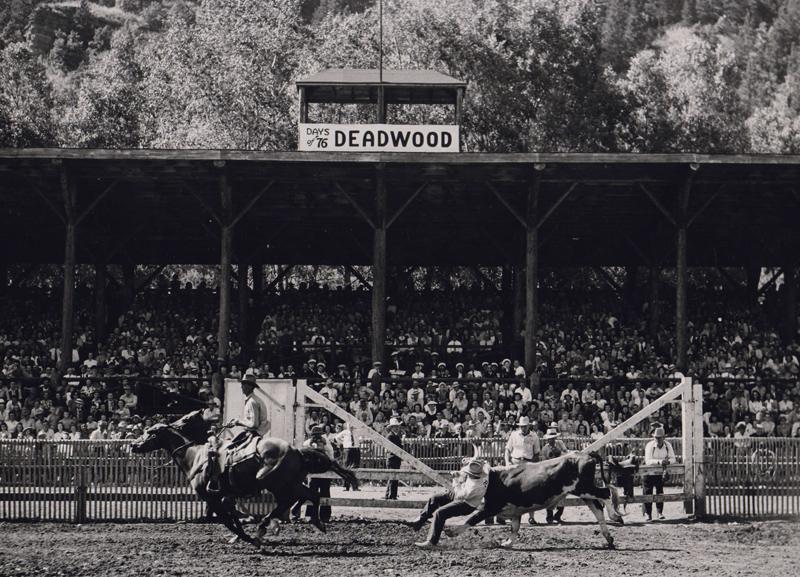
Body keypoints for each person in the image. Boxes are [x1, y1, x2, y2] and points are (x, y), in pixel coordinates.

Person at [411, 458, 490, 549]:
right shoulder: (483, 472)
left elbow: (458, 496)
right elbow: (485, 465)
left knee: (440, 513)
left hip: (466, 504)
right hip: (464, 496)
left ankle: (432, 541)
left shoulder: (474, 487)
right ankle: (421, 519)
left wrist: (456, 480)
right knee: (435, 498)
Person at [292, 425, 334, 522]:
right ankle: (310, 514)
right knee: (311, 492)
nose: (316, 438)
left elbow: (331, 457)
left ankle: (325, 516)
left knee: (325, 493)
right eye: (314, 436)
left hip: (324, 472)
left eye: (318, 436)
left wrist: (324, 447)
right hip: (312, 473)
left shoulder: (326, 444)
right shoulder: (307, 443)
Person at [504, 415, 541, 524]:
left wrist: (531, 465)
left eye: (525, 426)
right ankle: (512, 515)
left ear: (529, 426)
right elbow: (507, 449)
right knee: (512, 490)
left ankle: (531, 517)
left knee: (529, 490)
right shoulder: (514, 435)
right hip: (515, 462)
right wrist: (507, 462)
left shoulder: (534, 436)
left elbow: (537, 453)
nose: (523, 428)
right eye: (521, 426)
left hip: (527, 463)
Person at [643, 427, 675, 521]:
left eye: (659, 438)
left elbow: (673, 458)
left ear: (663, 438)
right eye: (656, 437)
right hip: (648, 472)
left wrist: (668, 462)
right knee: (648, 492)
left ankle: (659, 512)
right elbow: (648, 460)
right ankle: (648, 514)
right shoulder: (650, 445)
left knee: (660, 491)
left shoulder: (668, 445)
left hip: (660, 472)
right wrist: (659, 462)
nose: (657, 439)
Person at [541, 425, 569, 523]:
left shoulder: (560, 444)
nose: (551, 441)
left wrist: (559, 453)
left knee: (562, 495)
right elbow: (543, 462)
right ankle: (549, 516)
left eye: (552, 439)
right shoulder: (545, 449)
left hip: (560, 471)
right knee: (550, 495)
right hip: (550, 473)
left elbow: (566, 454)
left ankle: (558, 515)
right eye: (549, 439)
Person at [334, 423, 360, 491]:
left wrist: (358, 442)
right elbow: (337, 437)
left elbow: (362, 437)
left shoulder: (357, 431)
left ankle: (355, 485)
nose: (351, 426)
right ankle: (346, 485)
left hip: (355, 448)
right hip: (347, 449)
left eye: (352, 424)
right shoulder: (345, 432)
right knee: (346, 466)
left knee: (355, 466)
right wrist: (342, 443)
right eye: (349, 425)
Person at [384, 417, 403, 500]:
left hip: (395, 458)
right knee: (392, 478)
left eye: (397, 426)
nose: (396, 428)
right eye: (395, 426)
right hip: (392, 458)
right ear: (391, 427)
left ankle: (390, 494)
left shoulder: (394, 436)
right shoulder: (391, 436)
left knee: (393, 478)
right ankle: (391, 495)